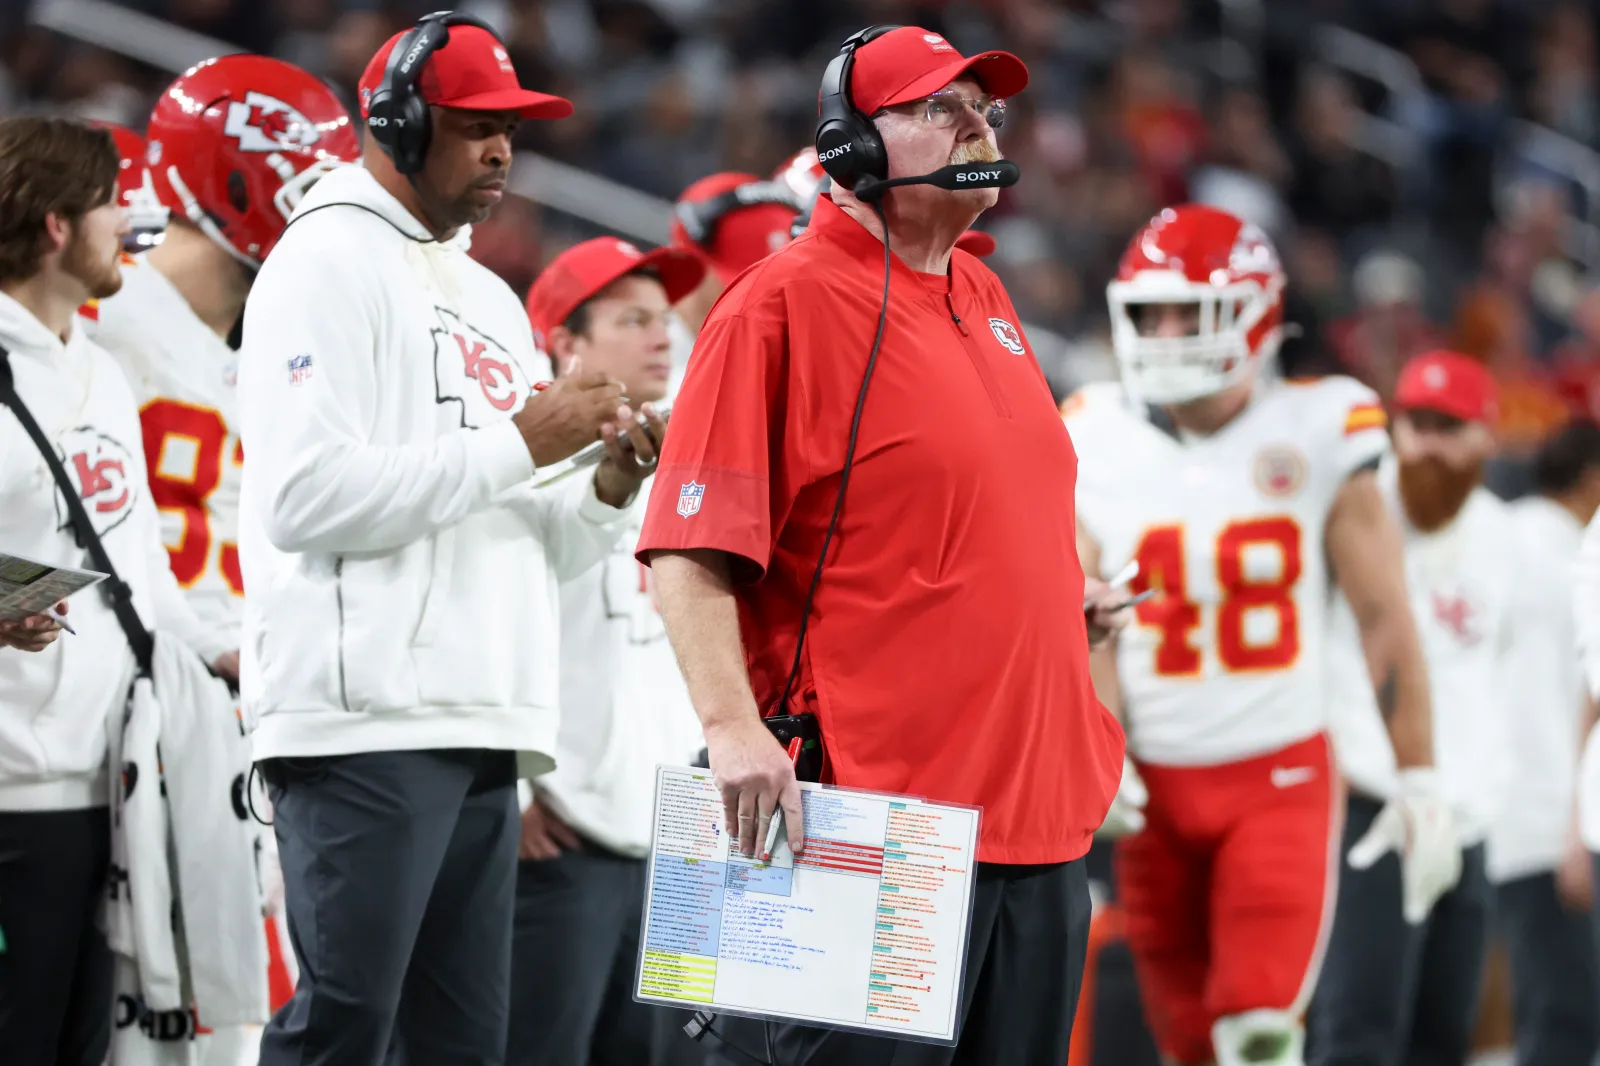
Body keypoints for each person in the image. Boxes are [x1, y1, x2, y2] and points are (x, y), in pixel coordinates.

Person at [637, 25, 1126, 1065]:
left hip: (1038, 828)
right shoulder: (779, 302)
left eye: (980, 108)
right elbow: (688, 545)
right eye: (934, 108)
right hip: (875, 825)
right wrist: (730, 728)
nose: (973, 123)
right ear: (848, 144)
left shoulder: (985, 296)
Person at [236, 14, 666, 1064]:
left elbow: (533, 545)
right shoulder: (321, 259)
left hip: (485, 718)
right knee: (343, 1031)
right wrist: (522, 440)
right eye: (476, 127)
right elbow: (303, 498)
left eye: (511, 130)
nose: (502, 153)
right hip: (361, 721)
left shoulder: (487, 297)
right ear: (395, 121)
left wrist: (605, 487)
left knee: (463, 1048)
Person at [1066, 204, 1448, 1066]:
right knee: (1186, 1041)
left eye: (1187, 313)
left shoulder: (1322, 424)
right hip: (1153, 785)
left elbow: (1385, 614)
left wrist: (1420, 772)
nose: (1164, 334)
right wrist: (1105, 744)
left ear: (1256, 315)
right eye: (1149, 313)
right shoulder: (1096, 429)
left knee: (1258, 1028)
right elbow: (1088, 619)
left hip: (1275, 772)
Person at [85, 55, 362, 1063]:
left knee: (225, 999)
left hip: (233, 702)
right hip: (111, 690)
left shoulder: (249, 334)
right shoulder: (104, 303)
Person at [0, 115, 228, 1066]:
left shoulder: (97, 370)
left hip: (111, 782)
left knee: (79, 1048)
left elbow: (142, 576)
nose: (129, 225)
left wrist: (226, 657)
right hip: (9, 786)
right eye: (108, 205)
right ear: (56, 225)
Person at [507, 236, 710, 1066]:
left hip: (682, 843)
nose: (663, 336)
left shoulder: (694, 468)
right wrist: (511, 789)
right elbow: (488, 630)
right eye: (633, 319)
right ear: (565, 343)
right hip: (564, 833)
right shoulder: (519, 472)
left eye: (664, 318)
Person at [1313, 350, 1517, 1066]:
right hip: (1372, 810)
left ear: (1487, 437)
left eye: (1447, 427)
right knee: (1357, 1034)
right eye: (1415, 423)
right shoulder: (1355, 506)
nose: (1425, 444)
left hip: (1463, 822)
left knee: (1443, 1037)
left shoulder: (1501, 535)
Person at [1488, 419, 1600, 1066]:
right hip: (1558, 817)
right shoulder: (1572, 561)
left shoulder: (1495, 538)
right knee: (1566, 1021)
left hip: (1498, 813)